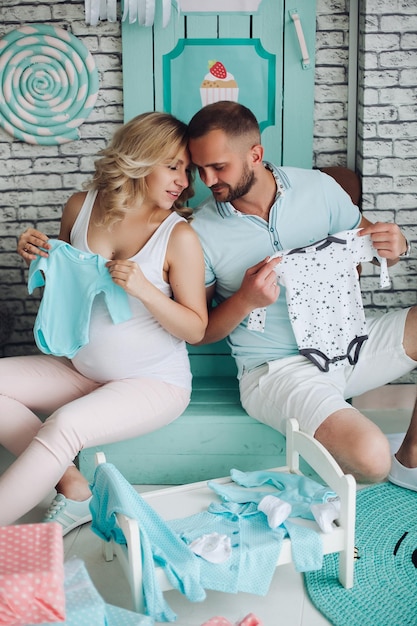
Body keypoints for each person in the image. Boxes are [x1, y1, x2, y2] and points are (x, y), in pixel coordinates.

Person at [187, 100, 417, 489]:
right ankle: (360, 451)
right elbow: (201, 330)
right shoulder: (200, 232)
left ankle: (410, 459)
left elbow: (372, 251)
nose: (207, 180)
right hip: (277, 371)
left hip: (350, 345)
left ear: (255, 155)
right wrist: (244, 298)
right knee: (372, 460)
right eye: (199, 169)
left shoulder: (320, 189)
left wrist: (397, 246)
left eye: (218, 167)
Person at [0, 111, 208, 532]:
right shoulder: (81, 207)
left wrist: (145, 289)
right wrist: (38, 253)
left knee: (65, 425)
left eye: (187, 170)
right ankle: (74, 488)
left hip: (154, 383)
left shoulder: (178, 236)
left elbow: (196, 329)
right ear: (139, 158)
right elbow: (64, 287)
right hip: (81, 369)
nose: (183, 181)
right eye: (173, 166)